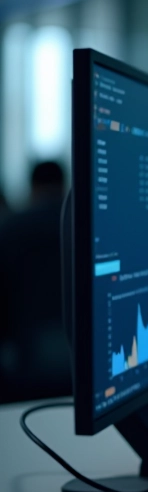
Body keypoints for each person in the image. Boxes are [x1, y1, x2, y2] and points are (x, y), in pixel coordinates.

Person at [0, 161, 71, 404]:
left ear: (32, 188)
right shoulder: (85, 226)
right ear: (65, 186)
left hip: (25, 360)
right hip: (83, 360)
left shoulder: (10, 229)